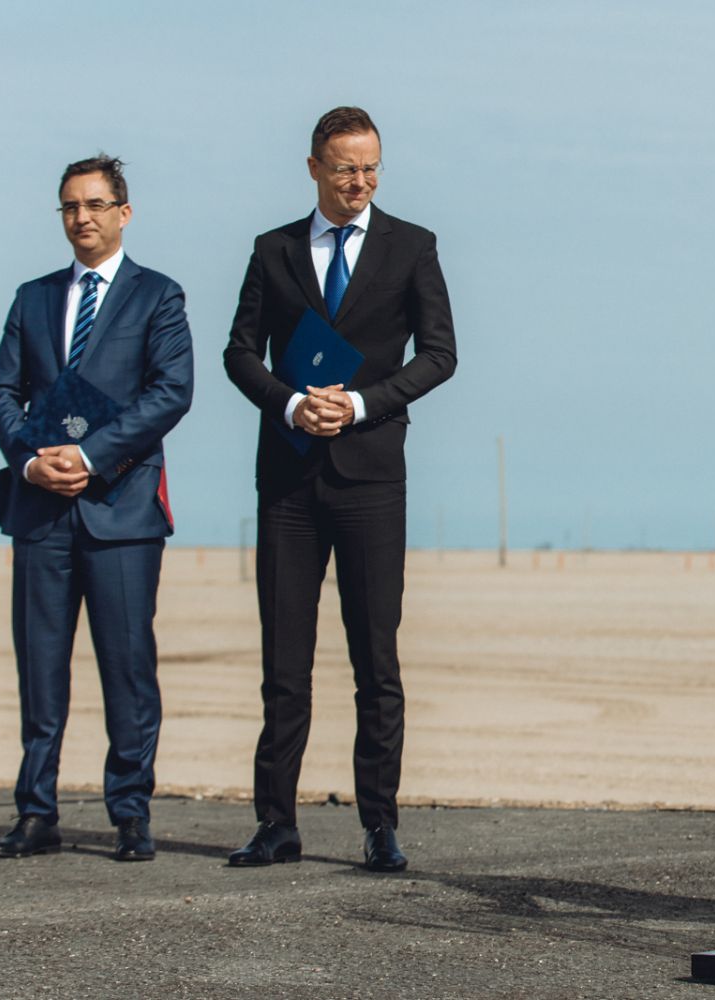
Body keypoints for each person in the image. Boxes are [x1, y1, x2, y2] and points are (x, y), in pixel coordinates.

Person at [223, 106, 457, 870]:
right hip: (289, 480)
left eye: (371, 167)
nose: (359, 181)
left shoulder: (412, 246)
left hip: (369, 478)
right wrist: (291, 402)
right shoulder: (273, 250)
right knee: (284, 664)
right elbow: (238, 352)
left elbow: (440, 354)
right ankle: (275, 823)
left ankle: (380, 824)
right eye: (345, 166)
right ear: (315, 167)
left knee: (374, 661)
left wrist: (359, 404)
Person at [0, 154, 195, 862]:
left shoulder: (158, 296)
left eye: (97, 204)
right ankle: (36, 813)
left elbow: (172, 392)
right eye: (71, 206)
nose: (83, 218)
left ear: (123, 212)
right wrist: (28, 458)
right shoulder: (32, 298)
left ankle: (130, 812)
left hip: (123, 512)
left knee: (127, 667)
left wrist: (91, 455)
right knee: (40, 669)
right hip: (39, 512)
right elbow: (1, 392)